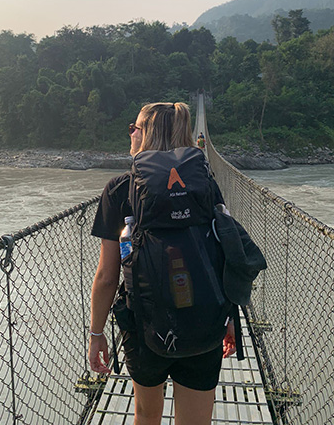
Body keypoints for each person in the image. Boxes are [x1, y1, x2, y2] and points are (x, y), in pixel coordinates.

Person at [88, 102, 236, 425]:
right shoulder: (205, 184)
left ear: (146, 135)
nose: (130, 133)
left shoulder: (118, 190)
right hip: (204, 320)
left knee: (146, 415)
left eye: (134, 128)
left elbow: (106, 277)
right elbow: (225, 252)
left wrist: (96, 332)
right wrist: (229, 316)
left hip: (144, 326)